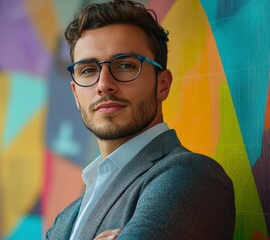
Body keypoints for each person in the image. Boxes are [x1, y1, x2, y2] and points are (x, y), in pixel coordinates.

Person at [45, 0, 235, 239]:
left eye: (125, 66)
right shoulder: (68, 217)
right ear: (75, 93)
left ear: (163, 84)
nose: (104, 85)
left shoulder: (192, 176)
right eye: (88, 70)